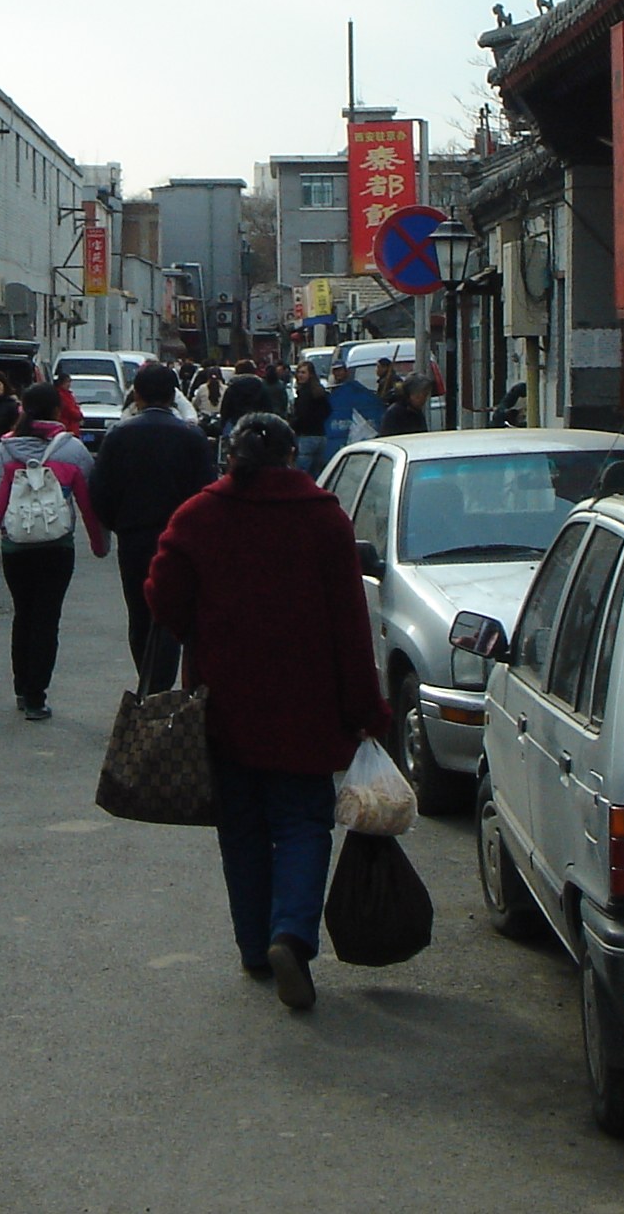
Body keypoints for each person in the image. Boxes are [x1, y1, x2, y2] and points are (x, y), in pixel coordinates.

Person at [146, 412, 391, 1011]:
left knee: (243, 828)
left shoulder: (198, 516)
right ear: (291, 457)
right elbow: (350, 627)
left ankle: (255, 946)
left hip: (226, 702)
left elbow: (162, 594)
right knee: (303, 824)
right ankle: (292, 935)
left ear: (230, 457)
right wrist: (365, 707)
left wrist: (205, 635)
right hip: (309, 705)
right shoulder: (324, 520)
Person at [0, 383, 106, 721]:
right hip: (57, 547)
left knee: (24, 615)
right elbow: (90, 502)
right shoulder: (72, 450)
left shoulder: (6, 450)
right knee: (47, 619)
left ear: (22, 410)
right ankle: (36, 697)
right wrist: (100, 544)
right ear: (57, 411)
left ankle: (20, 687)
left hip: (16, 546)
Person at [87, 362, 217, 690]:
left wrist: (120, 523)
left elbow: (99, 491)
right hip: (181, 541)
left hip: (135, 537)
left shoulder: (119, 435)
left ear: (138, 395)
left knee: (140, 613)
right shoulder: (192, 437)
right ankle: (162, 686)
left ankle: (149, 684)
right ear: (174, 395)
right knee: (173, 613)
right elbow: (207, 491)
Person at [321, 358, 382, 464]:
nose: (338, 373)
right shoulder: (331, 393)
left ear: (346, 371)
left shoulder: (356, 389)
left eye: (340, 370)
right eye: (335, 370)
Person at [288, 360, 331, 472]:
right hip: (320, 435)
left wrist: (292, 425)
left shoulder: (305, 393)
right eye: (299, 372)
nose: (300, 375)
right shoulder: (320, 391)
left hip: (306, 437)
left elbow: (302, 415)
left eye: (303, 372)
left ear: (310, 374)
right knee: (317, 473)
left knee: (302, 474)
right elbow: (328, 410)